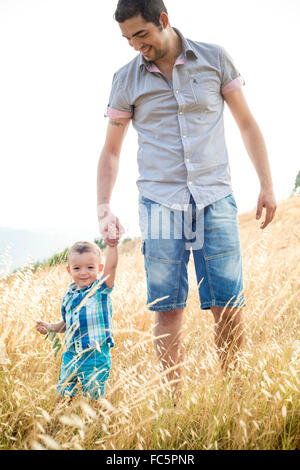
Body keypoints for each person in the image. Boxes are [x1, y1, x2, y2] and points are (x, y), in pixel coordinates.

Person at [97, 0, 277, 393]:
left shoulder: (215, 59)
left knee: (227, 306)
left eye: (141, 35)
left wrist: (266, 184)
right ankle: (173, 403)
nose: (134, 45)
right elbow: (111, 149)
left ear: (163, 20)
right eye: (127, 38)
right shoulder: (126, 79)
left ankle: (234, 396)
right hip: (160, 204)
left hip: (215, 198)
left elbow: (247, 123)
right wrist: (104, 207)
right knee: (168, 310)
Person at [36, 240, 118, 401]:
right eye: (77, 268)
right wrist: (49, 327)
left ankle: (93, 424)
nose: (83, 273)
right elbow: (66, 324)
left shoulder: (100, 290)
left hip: (95, 355)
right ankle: (60, 423)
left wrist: (112, 246)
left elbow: (112, 268)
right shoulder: (69, 296)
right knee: (63, 394)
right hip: (71, 355)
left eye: (90, 267)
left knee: (94, 397)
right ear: (69, 270)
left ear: (99, 268)